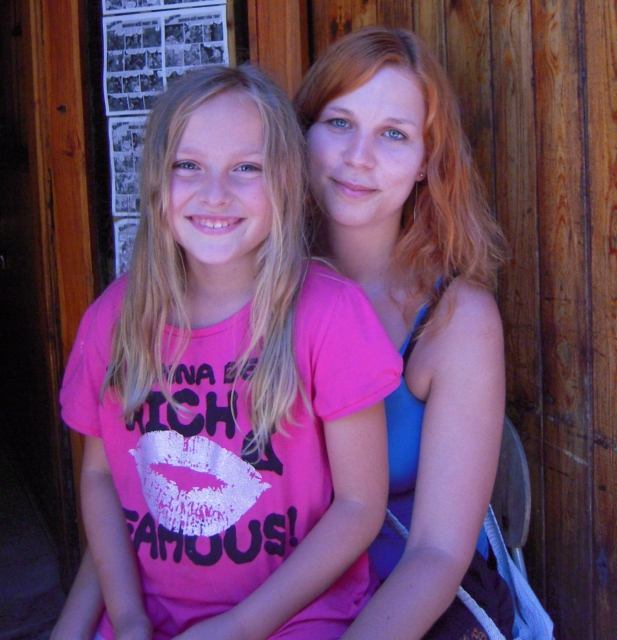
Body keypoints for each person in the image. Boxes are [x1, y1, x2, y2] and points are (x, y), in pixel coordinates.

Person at [55, 64, 401, 640]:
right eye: (187, 166)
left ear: (285, 182)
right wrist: (129, 616)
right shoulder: (114, 318)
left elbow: (360, 506)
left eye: (246, 168)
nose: (214, 194)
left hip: (293, 620)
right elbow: (99, 478)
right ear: (156, 180)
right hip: (147, 615)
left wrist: (239, 627)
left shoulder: (330, 315)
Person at [294, 26, 513, 640]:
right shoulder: (252, 289)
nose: (358, 156)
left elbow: (437, 555)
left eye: (393, 134)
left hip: (404, 608)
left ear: (426, 163)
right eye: (339, 123)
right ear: (301, 134)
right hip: (273, 606)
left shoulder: (455, 318)